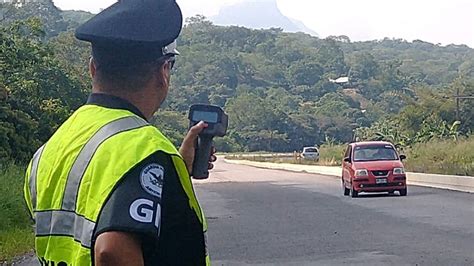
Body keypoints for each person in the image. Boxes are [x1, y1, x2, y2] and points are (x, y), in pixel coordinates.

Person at [23, 0, 212, 265]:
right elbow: (110, 250)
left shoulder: (55, 145)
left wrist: (173, 172)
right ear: (163, 71)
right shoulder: (145, 150)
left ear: (92, 68)